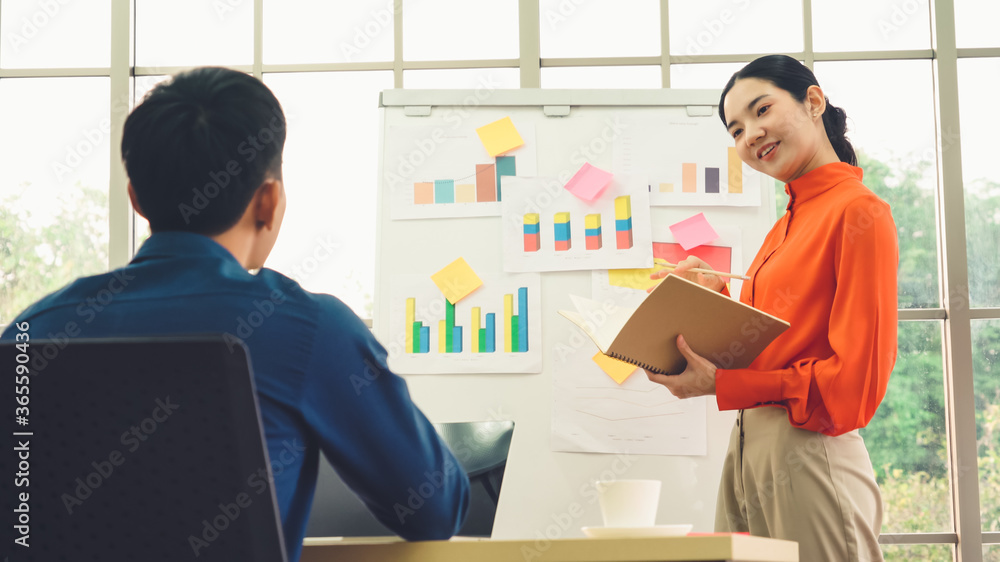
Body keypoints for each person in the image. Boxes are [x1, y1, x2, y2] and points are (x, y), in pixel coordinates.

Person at [0, 67, 469, 562]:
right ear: (268, 201)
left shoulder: (31, 331)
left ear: (136, 199)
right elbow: (433, 510)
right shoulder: (309, 330)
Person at [645, 55, 898, 562]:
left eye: (762, 110)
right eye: (737, 129)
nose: (751, 135)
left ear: (813, 101)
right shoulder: (784, 224)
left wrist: (724, 386)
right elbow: (770, 350)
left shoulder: (859, 213)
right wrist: (711, 297)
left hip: (810, 453)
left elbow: (853, 390)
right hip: (748, 452)